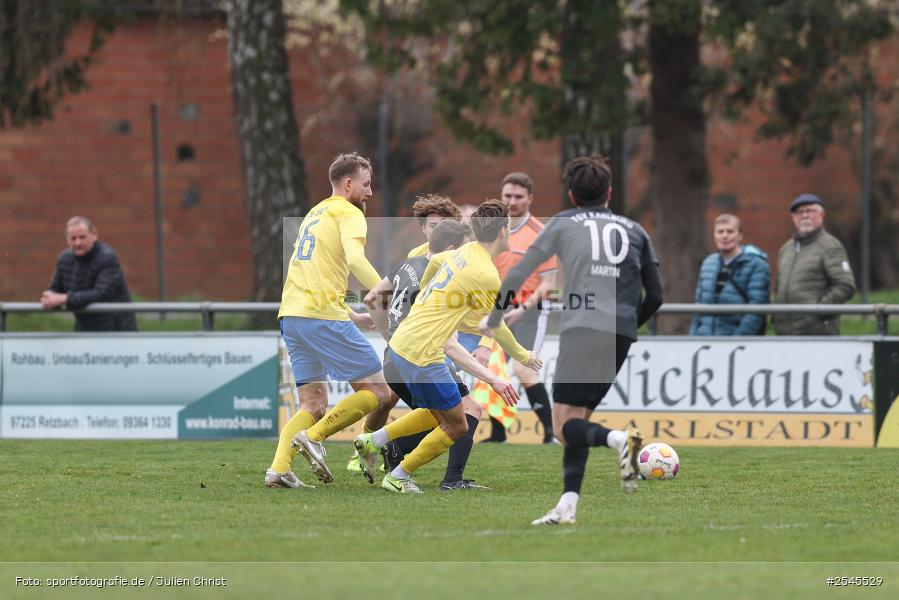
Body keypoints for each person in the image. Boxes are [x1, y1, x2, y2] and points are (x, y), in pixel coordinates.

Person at [481, 155, 664, 525]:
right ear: (609, 193)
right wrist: (629, 327)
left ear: (571, 194)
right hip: (620, 333)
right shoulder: (636, 230)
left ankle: (619, 441)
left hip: (582, 328)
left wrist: (496, 318)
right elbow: (656, 297)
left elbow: (518, 273)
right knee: (576, 423)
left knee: (565, 427)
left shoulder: (563, 222)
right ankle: (567, 506)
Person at [354, 200, 542, 494]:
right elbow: (495, 325)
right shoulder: (487, 274)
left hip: (404, 343)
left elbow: (436, 263)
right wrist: (523, 355)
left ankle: (373, 441)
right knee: (457, 426)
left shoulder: (464, 251)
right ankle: (399, 475)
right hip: (423, 354)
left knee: (441, 411)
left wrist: (424, 295)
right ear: (504, 232)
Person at [265, 152, 393, 489]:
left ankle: (278, 469)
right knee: (379, 392)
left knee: (314, 403)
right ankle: (314, 437)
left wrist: (351, 313)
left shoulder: (316, 211)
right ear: (348, 183)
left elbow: (315, 269)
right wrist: (384, 288)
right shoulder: (348, 212)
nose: (369, 192)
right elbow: (355, 260)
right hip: (321, 317)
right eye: (366, 185)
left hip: (293, 315)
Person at [365, 218, 498, 490]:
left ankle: (382, 444)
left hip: (395, 354)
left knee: (441, 415)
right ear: (450, 247)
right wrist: (492, 374)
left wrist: (388, 335)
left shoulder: (409, 262)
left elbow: (371, 298)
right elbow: (448, 341)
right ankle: (438, 477)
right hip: (421, 355)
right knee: (463, 413)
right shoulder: (445, 273)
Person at [477, 172, 557, 443]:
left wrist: (522, 309)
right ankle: (498, 433)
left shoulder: (540, 233)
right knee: (492, 369)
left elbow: (549, 283)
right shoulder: (493, 229)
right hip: (497, 308)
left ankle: (551, 433)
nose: (512, 201)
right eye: (507, 195)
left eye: (518, 196)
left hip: (528, 310)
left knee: (524, 369)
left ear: (530, 198)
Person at [773, 194, 856, 336]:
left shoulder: (830, 246)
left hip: (817, 331)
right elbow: (779, 286)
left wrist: (818, 310)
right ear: (793, 217)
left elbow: (845, 286)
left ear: (822, 215)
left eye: (810, 211)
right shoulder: (785, 249)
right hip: (785, 332)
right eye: (800, 212)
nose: (805, 215)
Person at [41, 216, 137, 331]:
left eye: (82, 237)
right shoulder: (64, 259)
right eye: (73, 238)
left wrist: (64, 299)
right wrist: (49, 297)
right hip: (84, 329)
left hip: (116, 330)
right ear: (67, 239)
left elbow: (102, 294)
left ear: (94, 235)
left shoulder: (107, 257)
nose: (77, 243)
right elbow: (56, 289)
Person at [690, 214, 770, 335]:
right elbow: (699, 305)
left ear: (740, 236)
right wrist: (693, 337)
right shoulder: (708, 263)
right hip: (704, 342)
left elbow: (756, 309)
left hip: (739, 345)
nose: (724, 236)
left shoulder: (756, 265)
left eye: (730, 231)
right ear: (714, 235)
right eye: (720, 232)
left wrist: (735, 341)